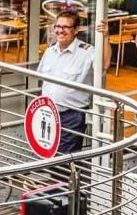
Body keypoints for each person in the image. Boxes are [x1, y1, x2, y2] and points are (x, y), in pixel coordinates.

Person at [35, 11, 96, 153]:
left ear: (76, 30)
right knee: (48, 155)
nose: (60, 30)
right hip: (48, 114)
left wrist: (105, 37)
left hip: (71, 116)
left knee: (64, 157)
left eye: (65, 27)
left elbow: (104, 65)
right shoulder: (49, 51)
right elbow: (42, 78)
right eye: (57, 26)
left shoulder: (87, 52)